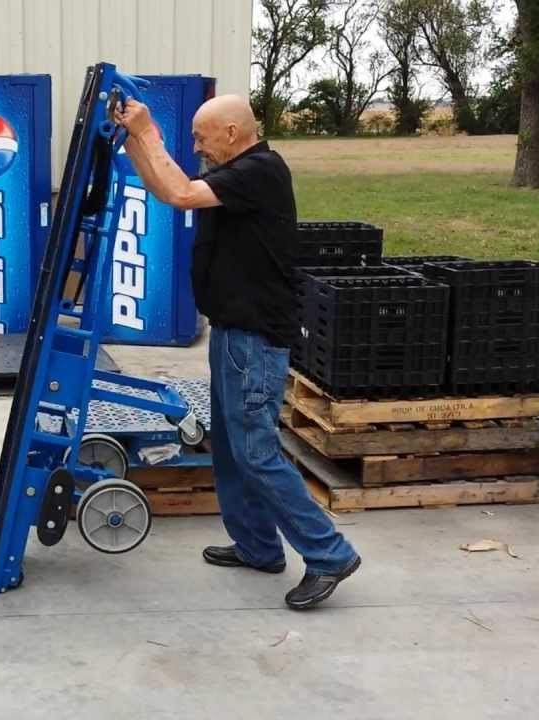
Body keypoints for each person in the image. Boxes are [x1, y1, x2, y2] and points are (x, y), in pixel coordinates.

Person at [114, 94, 360, 610]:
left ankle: (329, 552)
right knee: (230, 447)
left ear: (232, 132)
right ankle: (258, 546)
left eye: (202, 136)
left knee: (255, 451)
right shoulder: (237, 172)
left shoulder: (259, 171)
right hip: (232, 333)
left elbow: (179, 192)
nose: (196, 144)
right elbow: (167, 191)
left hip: (254, 338)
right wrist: (133, 139)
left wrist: (150, 132)